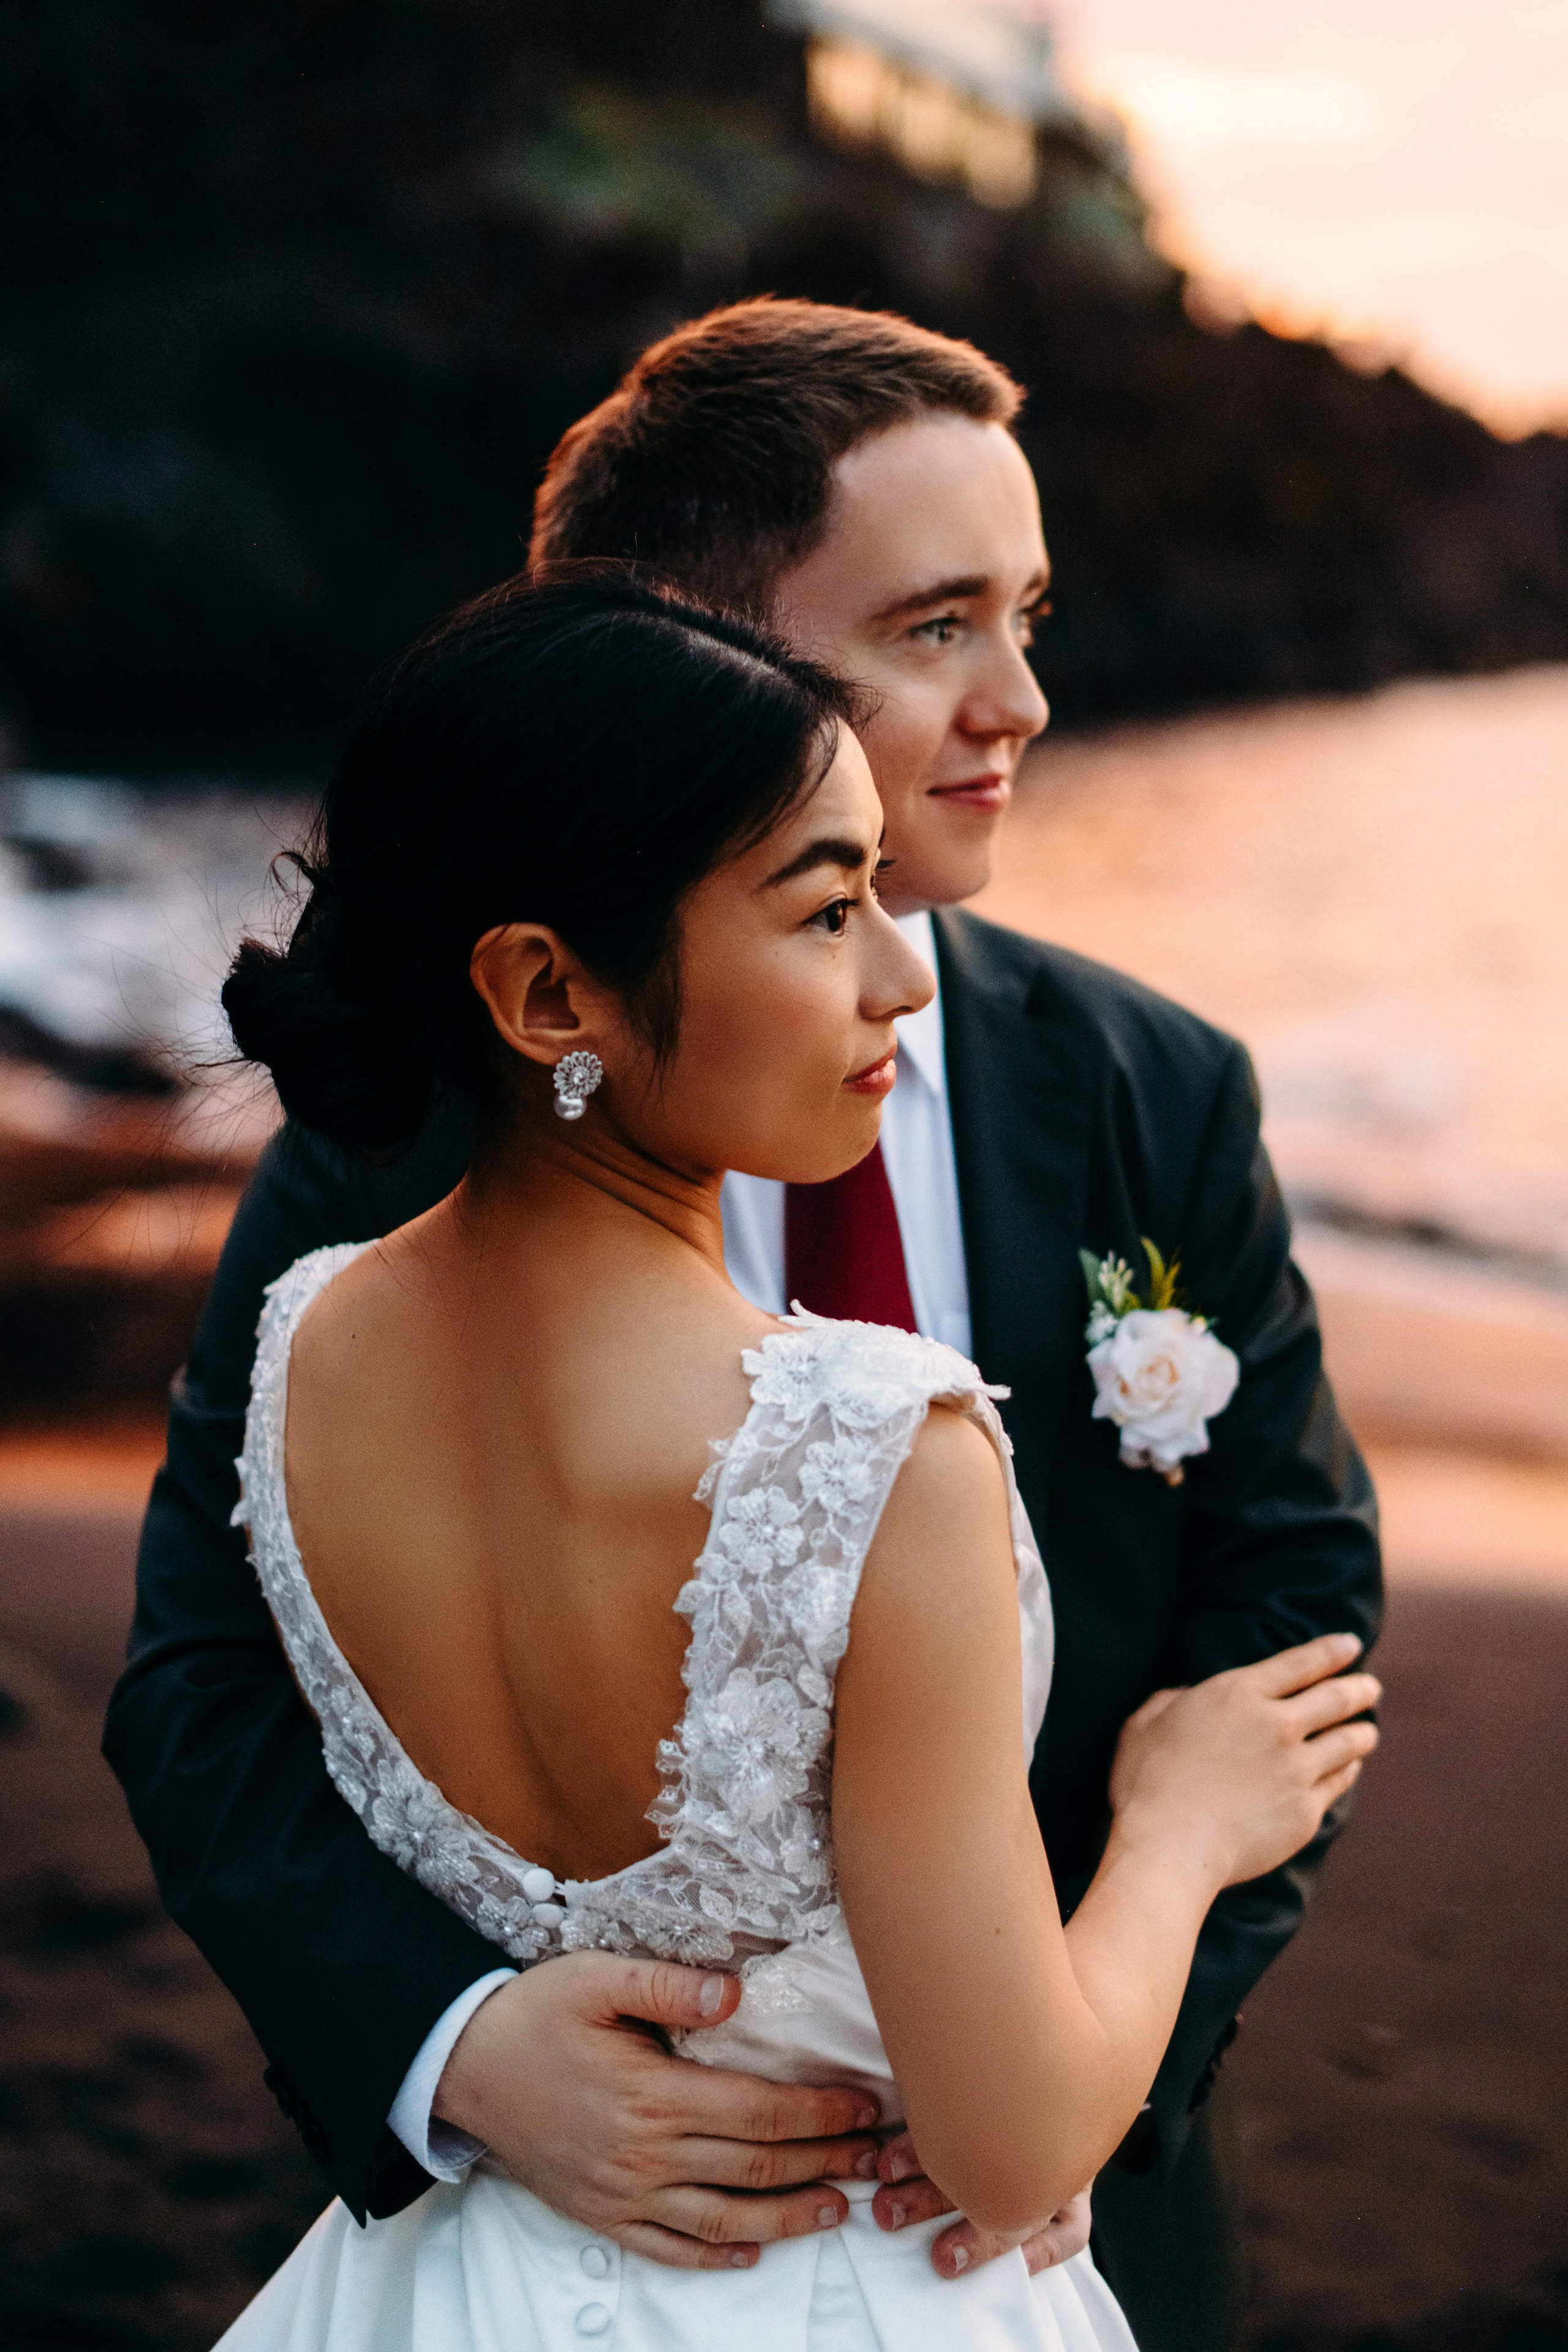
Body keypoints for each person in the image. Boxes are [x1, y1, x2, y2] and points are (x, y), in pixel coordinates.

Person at [105, 301, 1382, 2352]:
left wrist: (1069, 2080)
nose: (1026, 700)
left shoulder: (1159, 1087)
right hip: (538, 2194)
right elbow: (201, 1682)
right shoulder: (399, 1146)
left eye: (1031, 614)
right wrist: (457, 2052)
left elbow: (1290, 1589)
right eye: (937, 624)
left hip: (1051, 2208)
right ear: (692, 652)